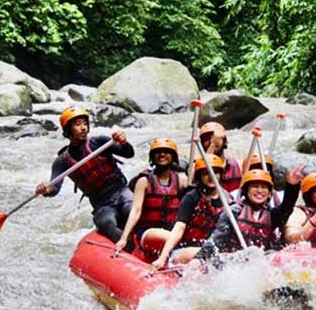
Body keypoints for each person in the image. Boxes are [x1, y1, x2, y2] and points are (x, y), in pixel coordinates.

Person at [36, 107, 134, 243]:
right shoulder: (62, 161)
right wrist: (46, 190)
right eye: (77, 124)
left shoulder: (99, 142)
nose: (83, 128)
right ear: (68, 130)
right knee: (106, 223)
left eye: (84, 123)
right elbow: (54, 188)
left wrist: (123, 142)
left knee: (132, 211)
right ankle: (128, 247)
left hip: (121, 191)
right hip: (101, 203)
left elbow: (129, 153)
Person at [195, 165, 305, 263]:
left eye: (264, 187)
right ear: (246, 191)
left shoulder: (272, 215)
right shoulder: (233, 211)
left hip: (260, 263)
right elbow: (216, 239)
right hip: (234, 260)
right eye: (255, 186)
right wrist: (199, 259)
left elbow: (287, 208)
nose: (259, 191)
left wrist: (292, 186)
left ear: (269, 193)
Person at [150, 155, 228, 269]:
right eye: (206, 173)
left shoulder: (227, 200)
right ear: (199, 176)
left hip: (212, 251)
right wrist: (162, 258)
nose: (211, 176)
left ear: (221, 175)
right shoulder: (191, 197)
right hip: (185, 251)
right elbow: (179, 228)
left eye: (215, 172)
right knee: (208, 254)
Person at [115, 138, 188, 253]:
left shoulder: (183, 181)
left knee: (179, 238)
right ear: (152, 157)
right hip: (147, 232)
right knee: (174, 238)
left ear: (173, 156)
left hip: (172, 230)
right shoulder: (144, 181)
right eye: (158, 152)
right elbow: (135, 211)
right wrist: (123, 238)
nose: (162, 154)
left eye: (166, 151)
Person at [199, 121, 241, 193]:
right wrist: (213, 145)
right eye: (206, 139)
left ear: (225, 141)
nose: (211, 140)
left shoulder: (236, 164)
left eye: (215, 138)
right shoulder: (197, 165)